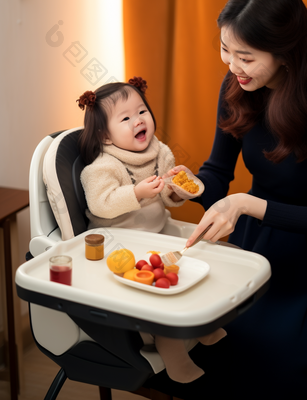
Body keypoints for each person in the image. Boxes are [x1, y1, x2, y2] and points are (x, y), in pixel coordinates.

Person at [168, 0, 307, 398]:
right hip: (252, 251)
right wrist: (186, 188)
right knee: (214, 342)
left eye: (245, 56)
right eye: (226, 50)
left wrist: (248, 204)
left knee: (287, 363)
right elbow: (216, 175)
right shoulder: (237, 89)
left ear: (286, 52)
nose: (232, 66)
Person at [76, 77, 226, 383]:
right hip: (121, 241)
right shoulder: (102, 167)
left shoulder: (160, 152)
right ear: (105, 135)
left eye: (142, 111)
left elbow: (170, 200)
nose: (139, 120)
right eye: (126, 118)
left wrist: (178, 189)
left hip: (157, 231)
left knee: (207, 257)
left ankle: (204, 325)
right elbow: (101, 204)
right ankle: (174, 357)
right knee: (159, 291)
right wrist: (137, 193)